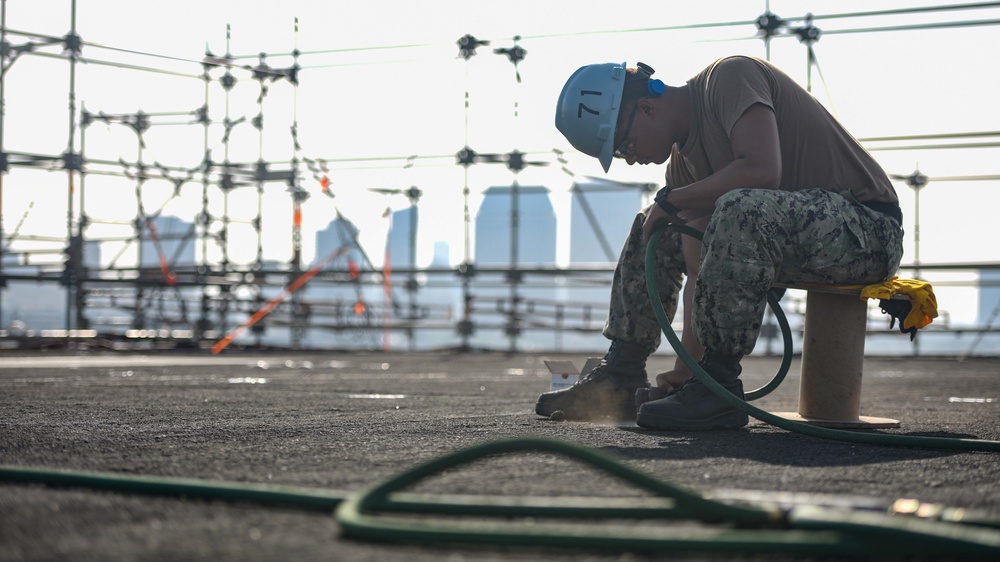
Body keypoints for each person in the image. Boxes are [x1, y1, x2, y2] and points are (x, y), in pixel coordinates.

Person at [538, 57, 903, 430]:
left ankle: (721, 385)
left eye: (622, 145)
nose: (629, 158)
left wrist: (674, 202)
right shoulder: (681, 166)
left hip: (866, 228)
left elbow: (762, 169)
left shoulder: (728, 78)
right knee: (654, 226)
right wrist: (686, 374)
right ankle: (623, 372)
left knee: (730, 206)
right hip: (798, 235)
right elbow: (701, 272)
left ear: (646, 108)